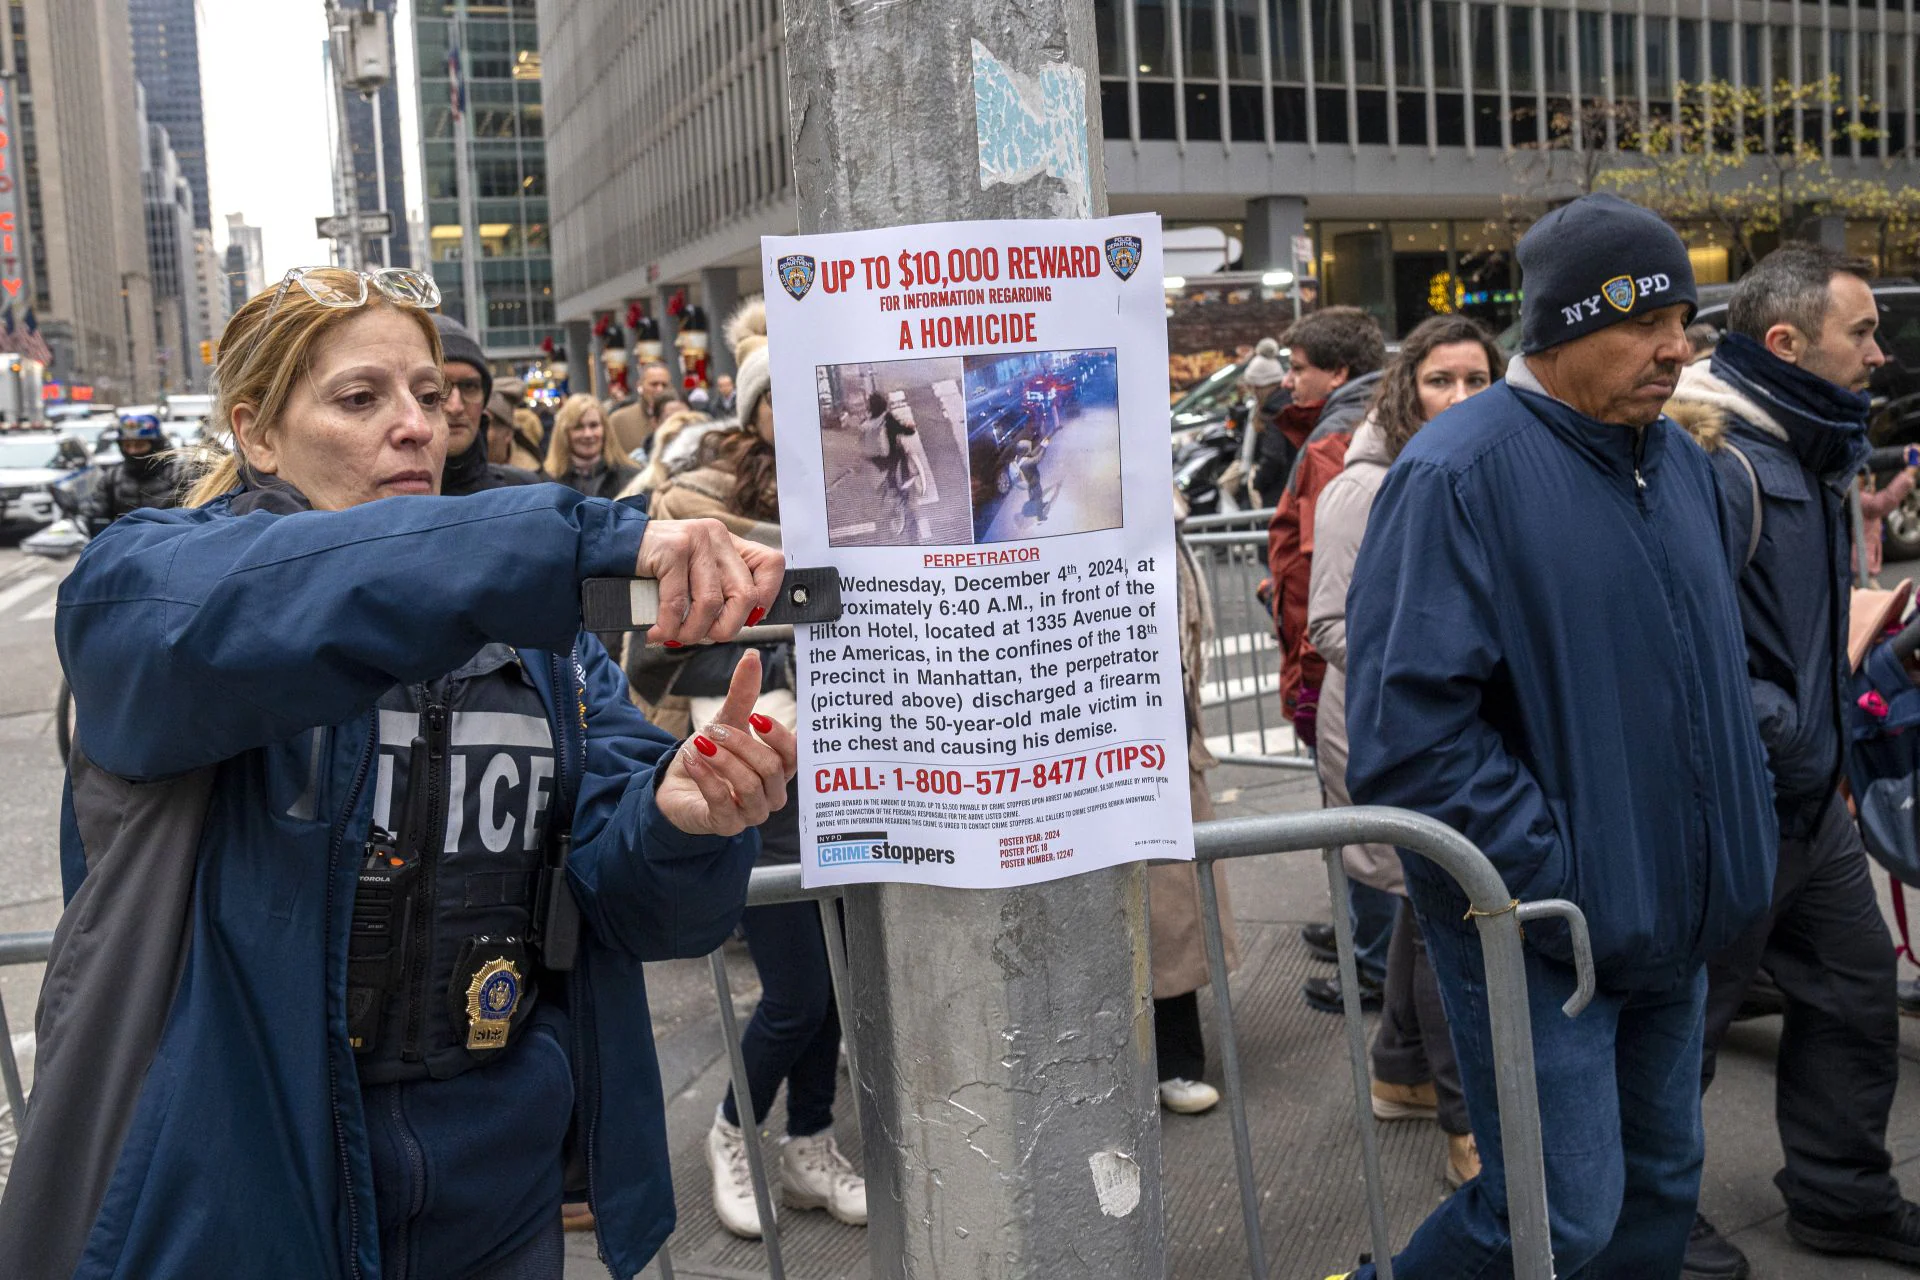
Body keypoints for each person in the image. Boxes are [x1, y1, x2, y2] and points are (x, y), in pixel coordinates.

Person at [0, 265, 793, 1280]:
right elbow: (308, 591)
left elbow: (646, 910)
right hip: (244, 1193)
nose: (417, 422)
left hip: (499, 1190)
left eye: (429, 391)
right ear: (256, 434)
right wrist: (588, 539)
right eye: (359, 397)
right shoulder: (154, 590)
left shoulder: (544, 642)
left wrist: (683, 819)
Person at [1334, 193, 1777, 1278]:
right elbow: (1410, 735)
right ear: (1563, 325)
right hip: (1545, 929)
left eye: (1683, 316)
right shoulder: (1457, 474)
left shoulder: (1678, 465)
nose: (1677, 345)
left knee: (1661, 1181)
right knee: (1554, 1214)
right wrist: (1556, 874)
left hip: (1669, 911)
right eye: (1644, 319)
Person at [1665, 244, 1920, 1277]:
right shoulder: (1719, 457)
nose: (1879, 349)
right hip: (1738, 804)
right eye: (1861, 330)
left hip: (1805, 804)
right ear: (1786, 343)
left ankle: (1841, 1195)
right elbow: (1695, 648)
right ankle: (1656, 1220)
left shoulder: (1810, 447)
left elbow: (1799, 638)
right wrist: (1789, 735)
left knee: (1855, 993)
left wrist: (1883, 661)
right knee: (1682, 1030)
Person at [643, 300, 866, 1238]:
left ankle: (810, 1142)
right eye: (781, 399)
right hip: (761, 763)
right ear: (755, 410)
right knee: (796, 992)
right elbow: (661, 645)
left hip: (858, 764)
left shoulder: (860, 492)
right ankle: (735, 1130)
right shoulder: (700, 508)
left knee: (835, 995)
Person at [1308, 314, 1500, 1190]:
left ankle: (1399, 1071)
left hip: (1444, 725)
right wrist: (1442, 663)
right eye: (1440, 380)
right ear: (1404, 385)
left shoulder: (1477, 467)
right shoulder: (1367, 485)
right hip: (1393, 728)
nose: (1460, 397)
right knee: (1445, 916)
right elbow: (1330, 625)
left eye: (1475, 379)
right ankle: (1468, 1129)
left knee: (1430, 914)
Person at [1261, 306, 1388, 1014]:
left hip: (1331, 666)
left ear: (1337, 373)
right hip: (1328, 659)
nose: (1288, 378)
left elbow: (1320, 577)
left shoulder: (1337, 440)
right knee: (1350, 816)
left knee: (1357, 814)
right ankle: (1359, 936)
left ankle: (1370, 960)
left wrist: (1309, 681)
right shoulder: (1338, 429)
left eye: (1299, 366)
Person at [1151, 491, 1239, 1116]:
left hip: (1161, 724)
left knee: (1169, 897)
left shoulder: (1158, 507)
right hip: (1082, 715)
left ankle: (1175, 1057)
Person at [436, 313, 539, 495]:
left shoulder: (524, 493)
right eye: (440, 387)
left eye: (470, 386)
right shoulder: (380, 501)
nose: (456, 407)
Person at [83, 415, 181, 528]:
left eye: (139, 445)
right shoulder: (113, 477)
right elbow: (95, 511)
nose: (132, 451)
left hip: (170, 540)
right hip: (126, 542)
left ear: (156, 445)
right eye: (127, 445)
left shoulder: (178, 473)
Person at [545, 393, 640, 499]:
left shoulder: (632, 479)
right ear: (564, 433)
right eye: (578, 427)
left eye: (594, 425)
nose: (588, 434)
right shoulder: (547, 484)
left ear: (605, 429)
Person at [1239, 337, 1295, 508]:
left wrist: (1258, 481)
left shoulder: (1272, 411)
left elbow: (1273, 456)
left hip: (1276, 494)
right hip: (1288, 488)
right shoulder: (1288, 404)